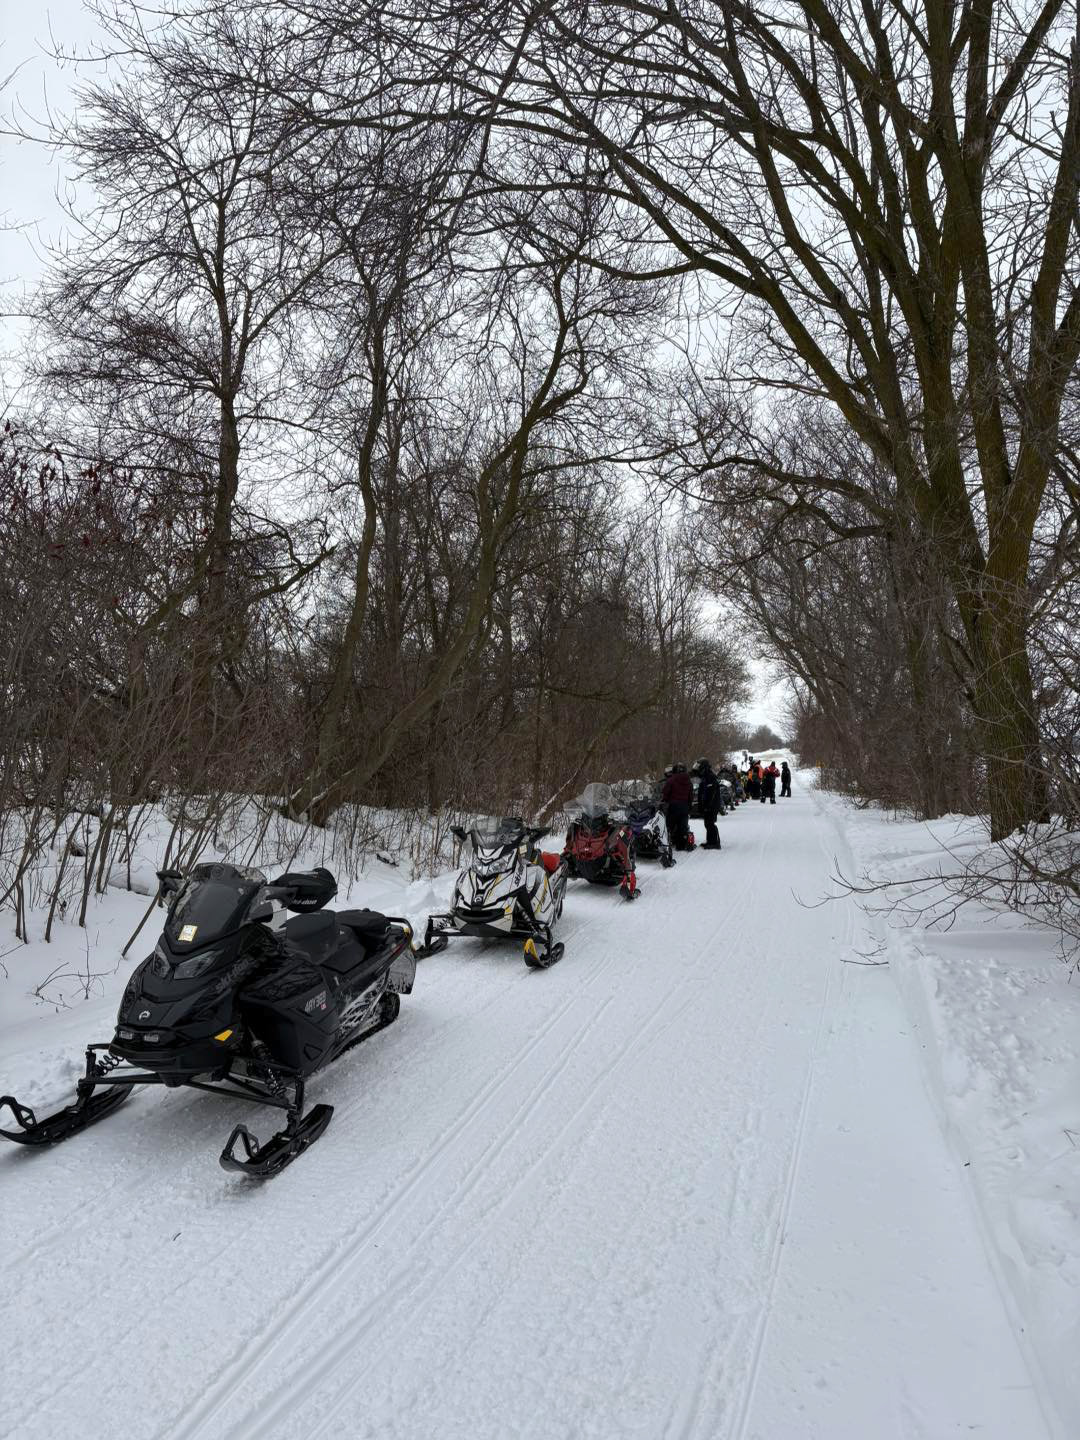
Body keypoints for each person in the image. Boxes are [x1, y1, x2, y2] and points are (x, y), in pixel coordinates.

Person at [661, 763, 694, 850]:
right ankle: (681, 845)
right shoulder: (689, 781)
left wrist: (664, 801)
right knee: (682, 827)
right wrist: (689, 807)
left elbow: (665, 793)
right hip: (685, 807)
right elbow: (691, 796)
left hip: (673, 806)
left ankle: (667, 844)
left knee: (669, 826)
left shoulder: (671, 780)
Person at [691, 758, 722, 849]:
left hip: (712, 805)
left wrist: (708, 805)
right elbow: (702, 792)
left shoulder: (710, 777)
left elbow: (711, 794)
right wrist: (702, 805)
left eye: (699, 767)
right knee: (707, 823)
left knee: (710, 823)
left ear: (703, 767)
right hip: (708, 805)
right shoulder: (705, 777)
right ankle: (710, 841)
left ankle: (715, 843)